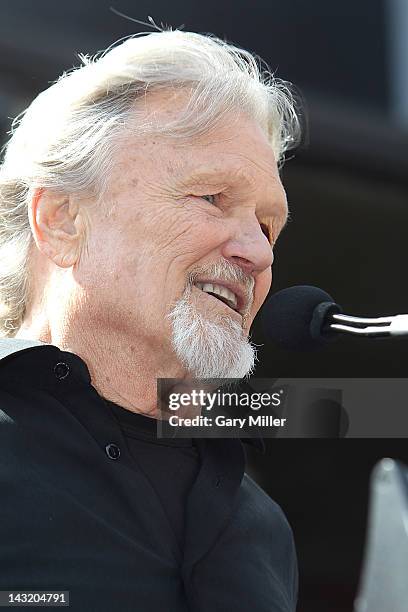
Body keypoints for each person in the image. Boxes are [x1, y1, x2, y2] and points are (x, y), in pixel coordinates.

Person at [0, 28, 300, 611]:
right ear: (62, 220)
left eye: (268, 227)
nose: (258, 254)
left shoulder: (263, 528)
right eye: (211, 198)